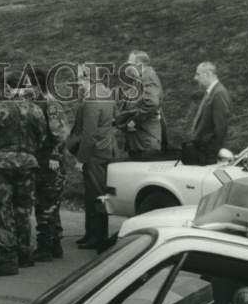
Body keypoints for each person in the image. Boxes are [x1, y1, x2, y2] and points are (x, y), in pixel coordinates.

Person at [0, 71, 49, 268]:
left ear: (7, 87)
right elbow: (42, 136)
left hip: (2, 164)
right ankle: (25, 252)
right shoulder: (35, 109)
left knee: (3, 209)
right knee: (24, 210)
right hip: (27, 163)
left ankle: (8, 253)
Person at [67, 66, 117, 251]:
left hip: (95, 154)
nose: (78, 82)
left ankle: (96, 237)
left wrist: (81, 159)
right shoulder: (106, 93)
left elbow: (89, 134)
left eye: (80, 78)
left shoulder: (91, 100)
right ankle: (92, 234)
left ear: (89, 79)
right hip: (105, 150)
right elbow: (112, 120)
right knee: (98, 195)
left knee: (94, 196)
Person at [30, 68, 71, 262]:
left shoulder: (49, 105)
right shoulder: (42, 103)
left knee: (45, 204)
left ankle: (46, 247)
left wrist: (54, 156)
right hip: (42, 159)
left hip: (49, 162)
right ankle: (55, 244)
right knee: (50, 205)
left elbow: (60, 133)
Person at [116, 50, 163, 159]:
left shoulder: (148, 77)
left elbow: (152, 103)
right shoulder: (140, 79)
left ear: (139, 65)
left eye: (129, 63)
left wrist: (135, 121)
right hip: (140, 139)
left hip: (145, 140)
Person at [189, 61, 231, 164]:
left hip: (208, 155)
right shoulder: (212, 92)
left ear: (207, 74)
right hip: (203, 152)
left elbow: (221, 128)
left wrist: (212, 153)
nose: (195, 78)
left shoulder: (218, 93)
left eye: (198, 74)